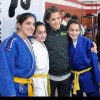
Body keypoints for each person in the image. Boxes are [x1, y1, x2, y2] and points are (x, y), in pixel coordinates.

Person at [43, 6, 98, 97]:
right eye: (53, 19)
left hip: (67, 76)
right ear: (47, 20)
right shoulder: (44, 33)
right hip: (50, 76)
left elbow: (76, 34)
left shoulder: (65, 29)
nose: (57, 22)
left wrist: (92, 43)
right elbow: (34, 35)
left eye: (58, 18)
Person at [0, 12, 36, 96]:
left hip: (25, 88)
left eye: (33, 24)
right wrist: (10, 94)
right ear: (19, 25)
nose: (32, 27)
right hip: (15, 89)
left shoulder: (27, 41)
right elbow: (5, 71)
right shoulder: (11, 43)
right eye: (28, 23)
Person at [67, 19, 100, 97]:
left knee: (94, 94)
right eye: (71, 30)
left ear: (80, 31)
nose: (74, 33)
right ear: (67, 30)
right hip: (74, 77)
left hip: (88, 76)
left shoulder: (87, 42)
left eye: (77, 30)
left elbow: (94, 61)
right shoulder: (66, 43)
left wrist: (97, 78)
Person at [30, 21, 50, 96]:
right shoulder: (34, 47)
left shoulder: (41, 44)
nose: (43, 35)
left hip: (43, 79)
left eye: (44, 32)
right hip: (37, 81)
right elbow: (40, 66)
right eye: (40, 33)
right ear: (33, 34)